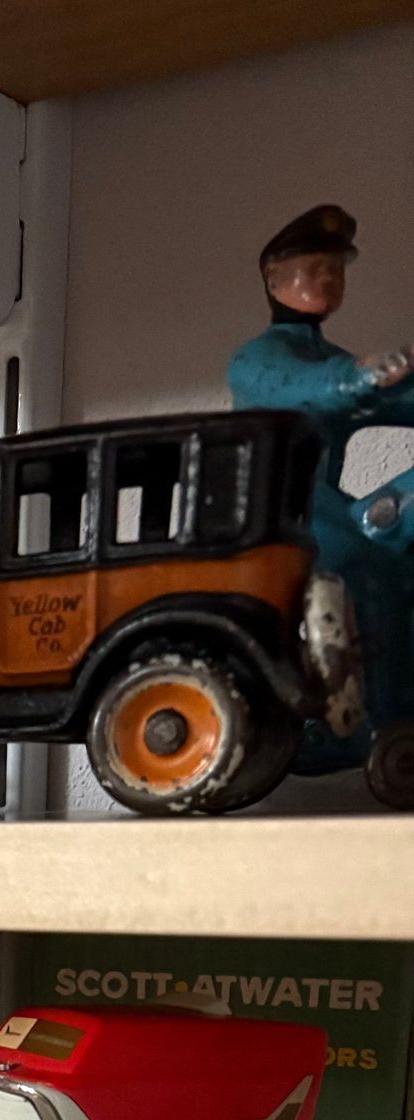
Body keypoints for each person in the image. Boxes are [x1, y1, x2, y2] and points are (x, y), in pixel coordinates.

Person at [227, 205, 414, 776]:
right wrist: (360, 378)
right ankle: (367, 724)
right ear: (274, 280)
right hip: (284, 514)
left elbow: (391, 402)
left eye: (335, 271)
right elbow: (306, 388)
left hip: (327, 510)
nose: (329, 281)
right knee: (368, 565)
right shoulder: (258, 358)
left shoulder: (333, 356)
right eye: (314, 270)